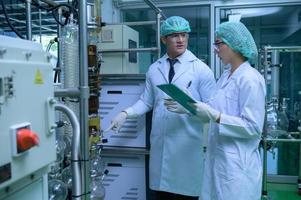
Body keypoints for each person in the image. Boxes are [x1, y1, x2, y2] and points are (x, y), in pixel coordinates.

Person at [106, 16, 216, 200]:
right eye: (174, 36)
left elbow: (213, 110)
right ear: (164, 39)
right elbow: (147, 101)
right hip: (161, 145)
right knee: (161, 195)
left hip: (187, 148)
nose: (180, 40)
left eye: (184, 35)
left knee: (186, 195)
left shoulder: (201, 70)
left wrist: (190, 108)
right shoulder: (154, 69)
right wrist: (125, 113)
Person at [167, 21, 266, 200]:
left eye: (218, 43)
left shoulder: (250, 79)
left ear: (234, 45)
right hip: (218, 160)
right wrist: (189, 106)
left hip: (238, 167)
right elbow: (212, 110)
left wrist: (217, 116)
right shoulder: (225, 77)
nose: (215, 49)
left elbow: (253, 128)